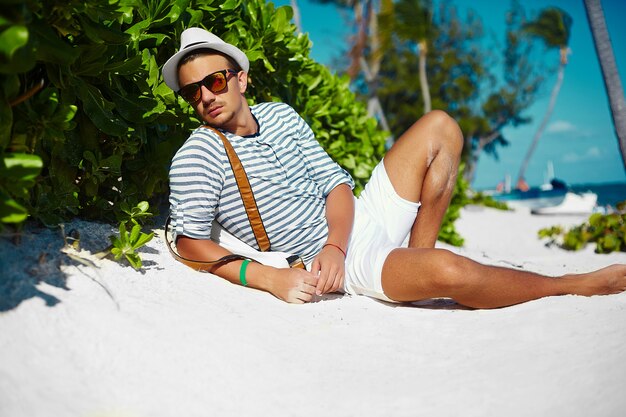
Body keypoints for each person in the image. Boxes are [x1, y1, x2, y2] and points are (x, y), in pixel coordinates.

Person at [162, 28, 626, 307]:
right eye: (192, 91)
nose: (205, 96)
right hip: (339, 261)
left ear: (241, 78)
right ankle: (573, 284)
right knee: (452, 273)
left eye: (215, 80)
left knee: (440, 126)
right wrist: (268, 276)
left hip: (351, 228)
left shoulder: (281, 114)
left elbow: (334, 185)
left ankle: (416, 261)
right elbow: (188, 242)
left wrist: (336, 244)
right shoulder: (198, 154)